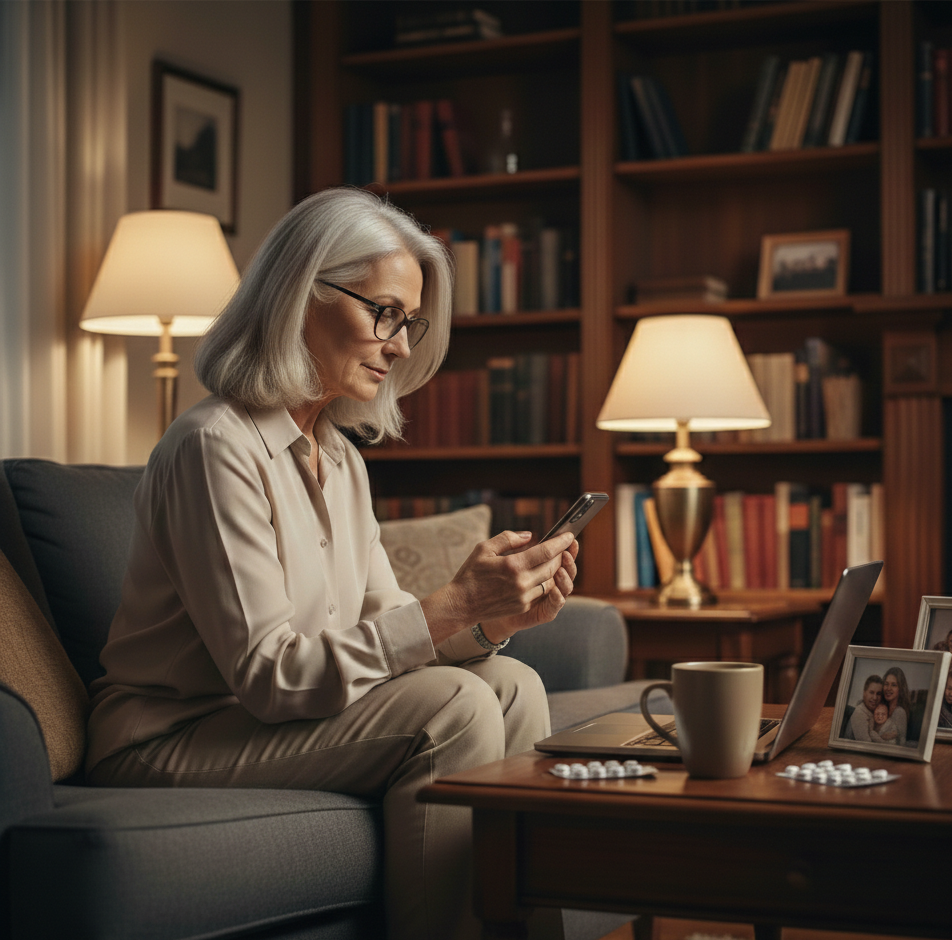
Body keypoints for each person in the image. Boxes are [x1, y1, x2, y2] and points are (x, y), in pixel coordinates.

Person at [85, 188, 580, 940]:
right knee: (455, 708)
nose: (403, 344)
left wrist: (487, 621)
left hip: (263, 722)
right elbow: (272, 676)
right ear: (298, 295)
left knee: (511, 684)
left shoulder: (340, 459)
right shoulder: (213, 447)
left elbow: (386, 629)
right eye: (384, 313)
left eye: (410, 323)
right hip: (170, 737)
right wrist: (452, 601)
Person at [845, 674, 883, 741]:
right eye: (871, 692)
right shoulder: (859, 714)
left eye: (878, 694)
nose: (875, 698)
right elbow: (866, 747)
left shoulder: (874, 712)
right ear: (864, 693)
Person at [881, 665, 912, 747]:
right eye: (886, 684)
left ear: (900, 688)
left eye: (893, 685)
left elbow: (900, 743)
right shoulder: (882, 707)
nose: (888, 688)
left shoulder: (899, 712)